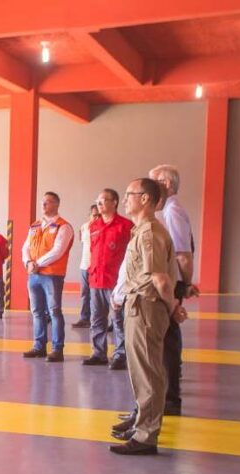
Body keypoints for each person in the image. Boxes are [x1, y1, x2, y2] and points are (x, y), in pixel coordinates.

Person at [109, 179, 186, 456]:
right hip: (139, 305)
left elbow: (160, 280)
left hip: (146, 306)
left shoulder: (150, 233)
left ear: (145, 199)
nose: (125, 199)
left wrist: (173, 306)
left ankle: (146, 435)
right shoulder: (142, 231)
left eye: (129, 194)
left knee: (148, 372)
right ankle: (142, 423)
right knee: (142, 371)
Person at [149, 165, 197, 415]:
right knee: (165, 337)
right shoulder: (168, 210)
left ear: (166, 184)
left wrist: (186, 284)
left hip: (171, 280)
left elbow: (183, 254)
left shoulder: (172, 211)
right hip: (171, 279)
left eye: (153, 181)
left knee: (167, 338)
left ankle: (170, 397)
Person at [21, 192, 74, 362]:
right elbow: (25, 247)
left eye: (48, 202)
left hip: (52, 275)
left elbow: (58, 251)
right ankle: (39, 346)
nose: (43, 205)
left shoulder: (63, 227)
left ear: (56, 205)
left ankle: (57, 349)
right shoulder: (35, 226)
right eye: (42, 202)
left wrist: (37, 263)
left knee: (54, 311)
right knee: (37, 311)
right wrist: (28, 262)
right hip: (34, 275)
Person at [83, 190, 133, 370]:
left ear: (115, 202)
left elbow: (131, 255)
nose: (99, 203)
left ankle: (120, 355)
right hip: (96, 280)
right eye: (98, 200)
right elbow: (92, 251)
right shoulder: (94, 226)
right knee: (97, 319)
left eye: (104, 200)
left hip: (115, 282)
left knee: (118, 320)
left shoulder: (126, 226)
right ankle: (98, 353)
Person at [72, 204, 98, 328]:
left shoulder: (103, 228)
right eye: (94, 215)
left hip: (97, 267)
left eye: (99, 215)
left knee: (96, 295)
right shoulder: (83, 227)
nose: (97, 218)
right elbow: (84, 246)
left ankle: (97, 320)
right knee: (84, 294)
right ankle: (84, 318)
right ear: (89, 215)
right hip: (84, 265)